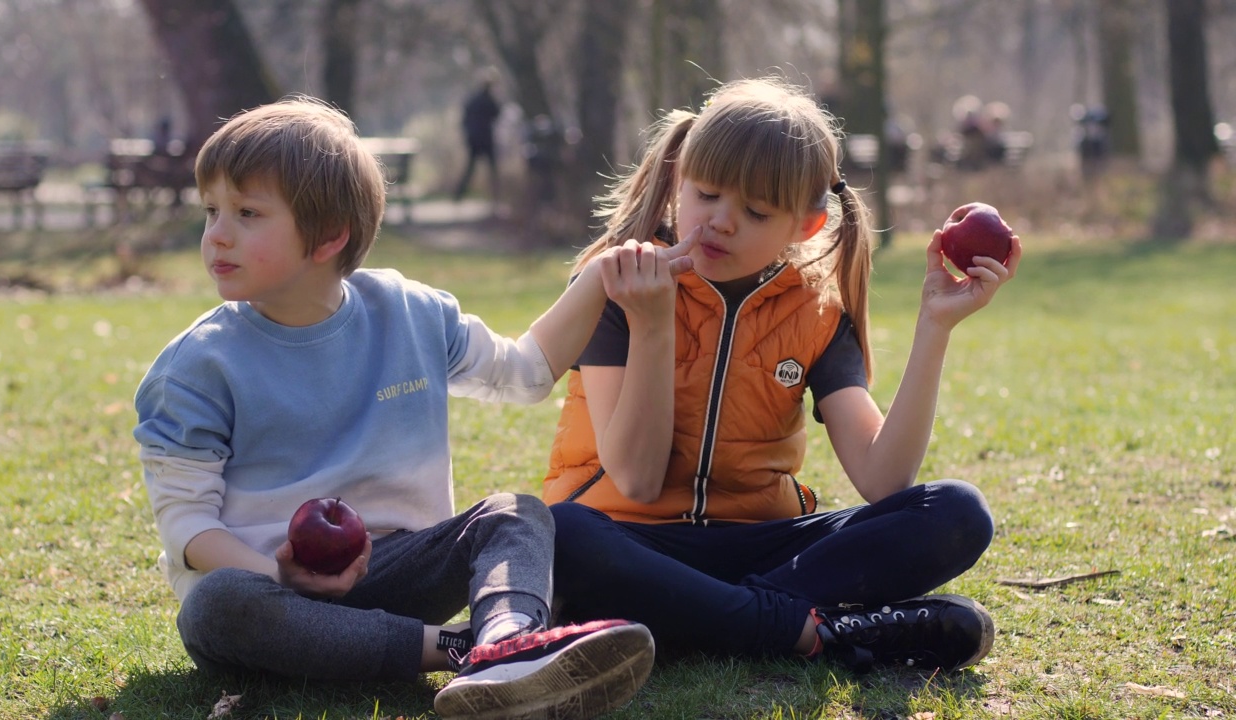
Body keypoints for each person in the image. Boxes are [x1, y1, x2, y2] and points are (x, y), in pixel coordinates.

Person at [132, 96, 694, 719]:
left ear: (329, 236)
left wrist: (599, 277)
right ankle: (469, 654)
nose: (217, 234)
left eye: (247, 213)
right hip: (268, 596)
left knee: (516, 514)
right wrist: (282, 577)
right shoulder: (196, 365)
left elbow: (526, 373)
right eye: (211, 211)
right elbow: (188, 530)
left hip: (397, 574)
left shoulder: (412, 314)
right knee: (214, 605)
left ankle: (509, 640)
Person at [542, 77, 1021, 674]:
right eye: (708, 194)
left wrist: (936, 327)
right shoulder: (618, 281)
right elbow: (636, 481)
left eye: (756, 211)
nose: (721, 221)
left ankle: (708, 617)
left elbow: (884, 477)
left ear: (807, 225)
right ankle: (812, 629)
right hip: (631, 539)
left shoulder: (818, 311)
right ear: (676, 184)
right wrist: (653, 322)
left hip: (762, 546)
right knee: (556, 534)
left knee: (957, 513)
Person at [453, 68, 502, 202]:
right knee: (492, 168)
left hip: (473, 139)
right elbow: (497, 113)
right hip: (485, 138)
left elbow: (464, 119)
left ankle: (458, 194)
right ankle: (496, 195)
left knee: (470, 168)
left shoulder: (473, 100)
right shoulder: (488, 100)